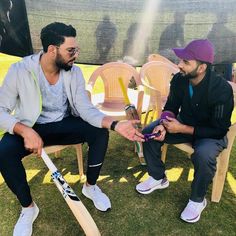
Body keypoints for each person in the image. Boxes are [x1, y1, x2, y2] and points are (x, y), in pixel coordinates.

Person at [0, 22, 143, 236]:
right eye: (70, 50)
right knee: (3, 152)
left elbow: (85, 109)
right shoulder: (20, 70)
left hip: (64, 123)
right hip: (32, 126)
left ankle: (90, 186)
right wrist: (23, 130)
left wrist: (115, 124)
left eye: (76, 49)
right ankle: (28, 208)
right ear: (51, 50)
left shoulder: (73, 72)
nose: (75, 54)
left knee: (99, 132)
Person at [136, 39, 234, 223]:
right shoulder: (180, 79)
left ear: (202, 67)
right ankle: (158, 177)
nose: (179, 65)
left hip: (211, 133)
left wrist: (181, 128)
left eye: (186, 62)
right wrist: (163, 123)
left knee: (203, 155)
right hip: (184, 122)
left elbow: (219, 129)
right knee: (150, 132)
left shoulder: (221, 89)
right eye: (180, 60)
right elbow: (171, 106)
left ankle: (197, 200)